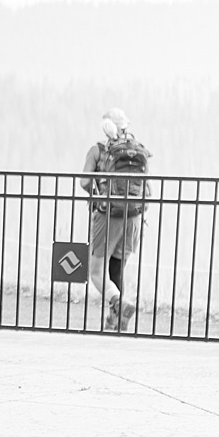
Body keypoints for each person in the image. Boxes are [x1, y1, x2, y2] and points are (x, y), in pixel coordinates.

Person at [81, 110, 150, 331]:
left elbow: (84, 182)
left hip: (108, 214)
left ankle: (118, 303)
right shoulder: (138, 150)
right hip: (134, 217)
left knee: (97, 272)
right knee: (117, 269)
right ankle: (115, 322)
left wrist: (97, 193)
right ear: (125, 127)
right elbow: (148, 187)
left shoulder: (98, 150)